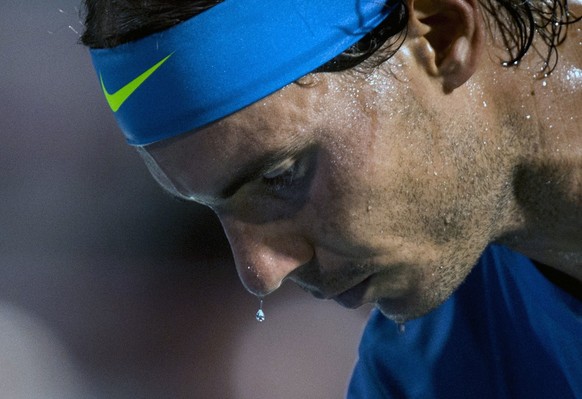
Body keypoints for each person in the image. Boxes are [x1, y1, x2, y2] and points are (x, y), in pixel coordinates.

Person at [81, 0, 581, 397]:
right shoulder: (428, 372)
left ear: (441, 35)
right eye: (218, 210)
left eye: (280, 175)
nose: (258, 272)